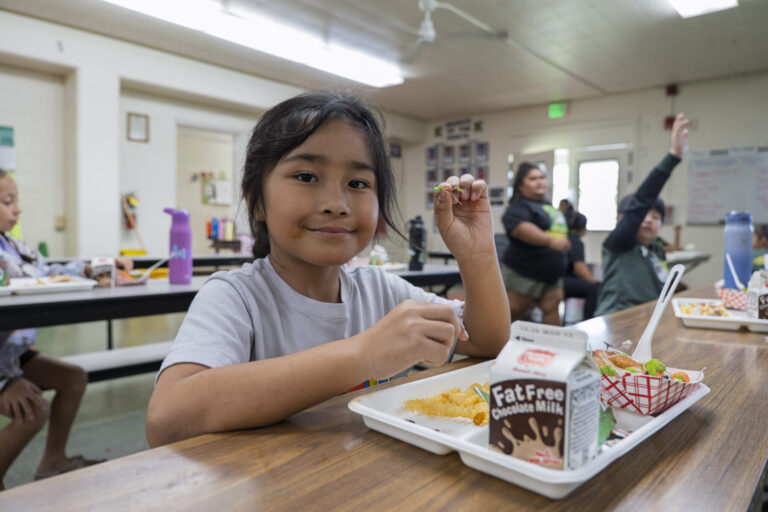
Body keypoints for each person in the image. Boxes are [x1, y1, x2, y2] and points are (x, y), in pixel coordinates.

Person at [145, 92, 510, 446]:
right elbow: (167, 419)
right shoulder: (236, 295)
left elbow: (488, 341)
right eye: (306, 176)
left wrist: (477, 256)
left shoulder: (382, 291)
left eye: (357, 183)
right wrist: (362, 355)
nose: (336, 204)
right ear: (256, 200)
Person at [0, 169, 133, 490]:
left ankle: (53, 461)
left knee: (72, 378)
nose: (17, 209)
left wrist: (98, 267)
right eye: (7, 201)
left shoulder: (12, 246)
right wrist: (7, 380)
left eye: (16, 200)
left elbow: (48, 272)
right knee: (32, 410)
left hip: (11, 352)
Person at [594, 113, 690, 317]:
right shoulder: (620, 244)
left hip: (648, 321)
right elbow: (641, 201)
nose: (648, 219)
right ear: (623, 220)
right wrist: (673, 156)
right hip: (616, 321)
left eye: (656, 217)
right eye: (642, 216)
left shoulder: (657, 251)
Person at [499, 162, 569, 326]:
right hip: (524, 272)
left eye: (542, 177)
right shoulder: (517, 207)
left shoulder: (547, 206)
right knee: (511, 313)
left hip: (552, 274)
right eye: (533, 178)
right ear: (521, 185)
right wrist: (550, 241)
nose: (539, 181)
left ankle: (553, 350)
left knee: (551, 308)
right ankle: (493, 350)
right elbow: (520, 228)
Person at [563, 212, 599, 320]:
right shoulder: (576, 241)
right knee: (593, 289)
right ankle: (588, 321)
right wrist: (594, 282)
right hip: (561, 282)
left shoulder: (563, 237)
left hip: (554, 278)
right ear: (582, 228)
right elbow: (579, 268)